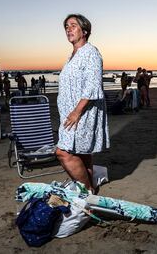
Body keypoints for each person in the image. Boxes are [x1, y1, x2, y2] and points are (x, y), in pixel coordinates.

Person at [56, 14, 110, 193]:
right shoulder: (74, 54)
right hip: (71, 112)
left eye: (73, 25)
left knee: (63, 152)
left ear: (84, 31)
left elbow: (92, 86)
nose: (68, 29)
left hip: (82, 112)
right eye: (66, 26)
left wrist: (77, 112)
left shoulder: (90, 52)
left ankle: (86, 192)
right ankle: (91, 187)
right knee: (81, 152)